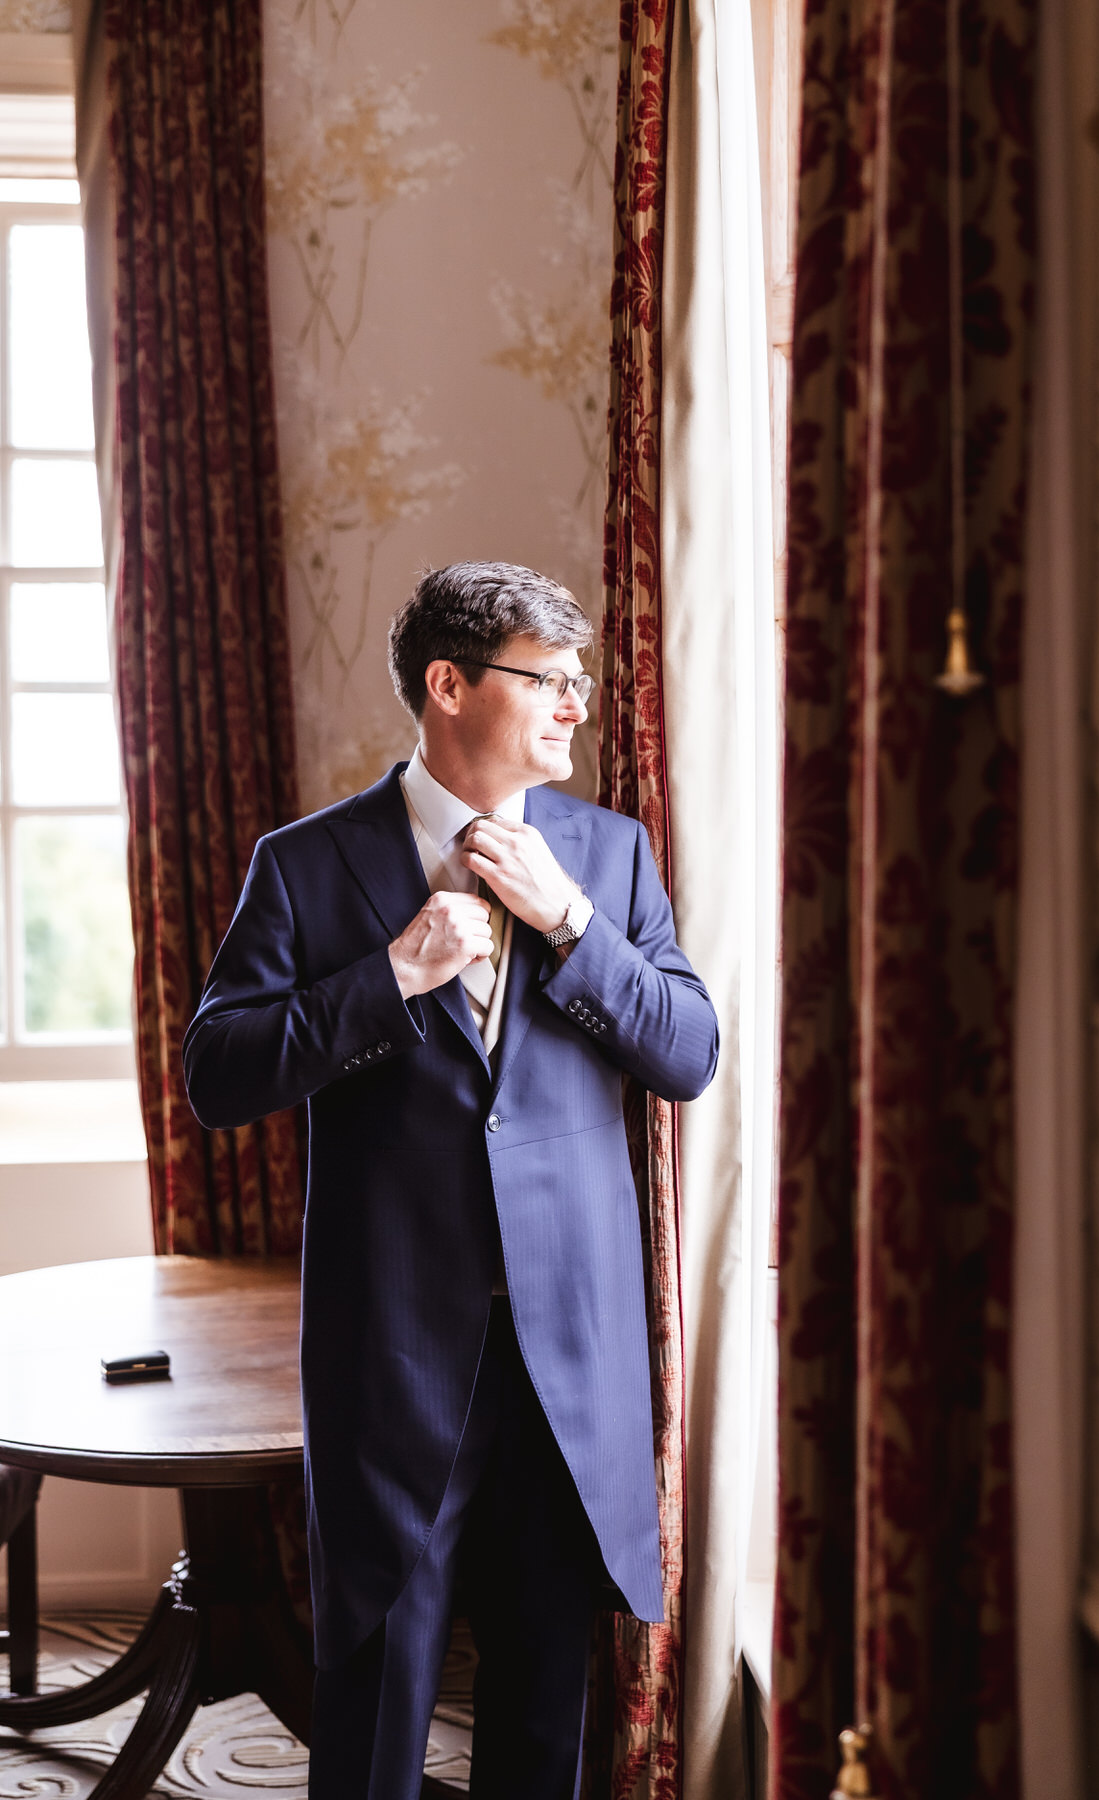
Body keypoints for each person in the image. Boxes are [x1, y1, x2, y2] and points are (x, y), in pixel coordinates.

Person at [183, 561, 718, 1800]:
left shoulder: (611, 857)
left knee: (543, 1701)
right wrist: (390, 976)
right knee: (376, 1697)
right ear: (450, 684)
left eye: (580, 680)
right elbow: (218, 1073)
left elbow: (688, 1054)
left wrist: (572, 924)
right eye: (550, 678)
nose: (577, 703)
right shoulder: (307, 865)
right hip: (395, 1354)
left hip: (571, 1356)